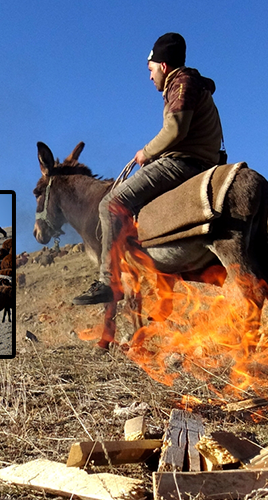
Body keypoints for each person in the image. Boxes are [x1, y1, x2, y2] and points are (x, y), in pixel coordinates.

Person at [72, 32, 224, 305]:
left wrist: (147, 152)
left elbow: (175, 129)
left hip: (183, 164)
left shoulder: (181, 83)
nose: (150, 76)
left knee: (111, 203)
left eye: (151, 69)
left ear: (163, 66)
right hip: (199, 160)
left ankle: (109, 281)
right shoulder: (190, 84)